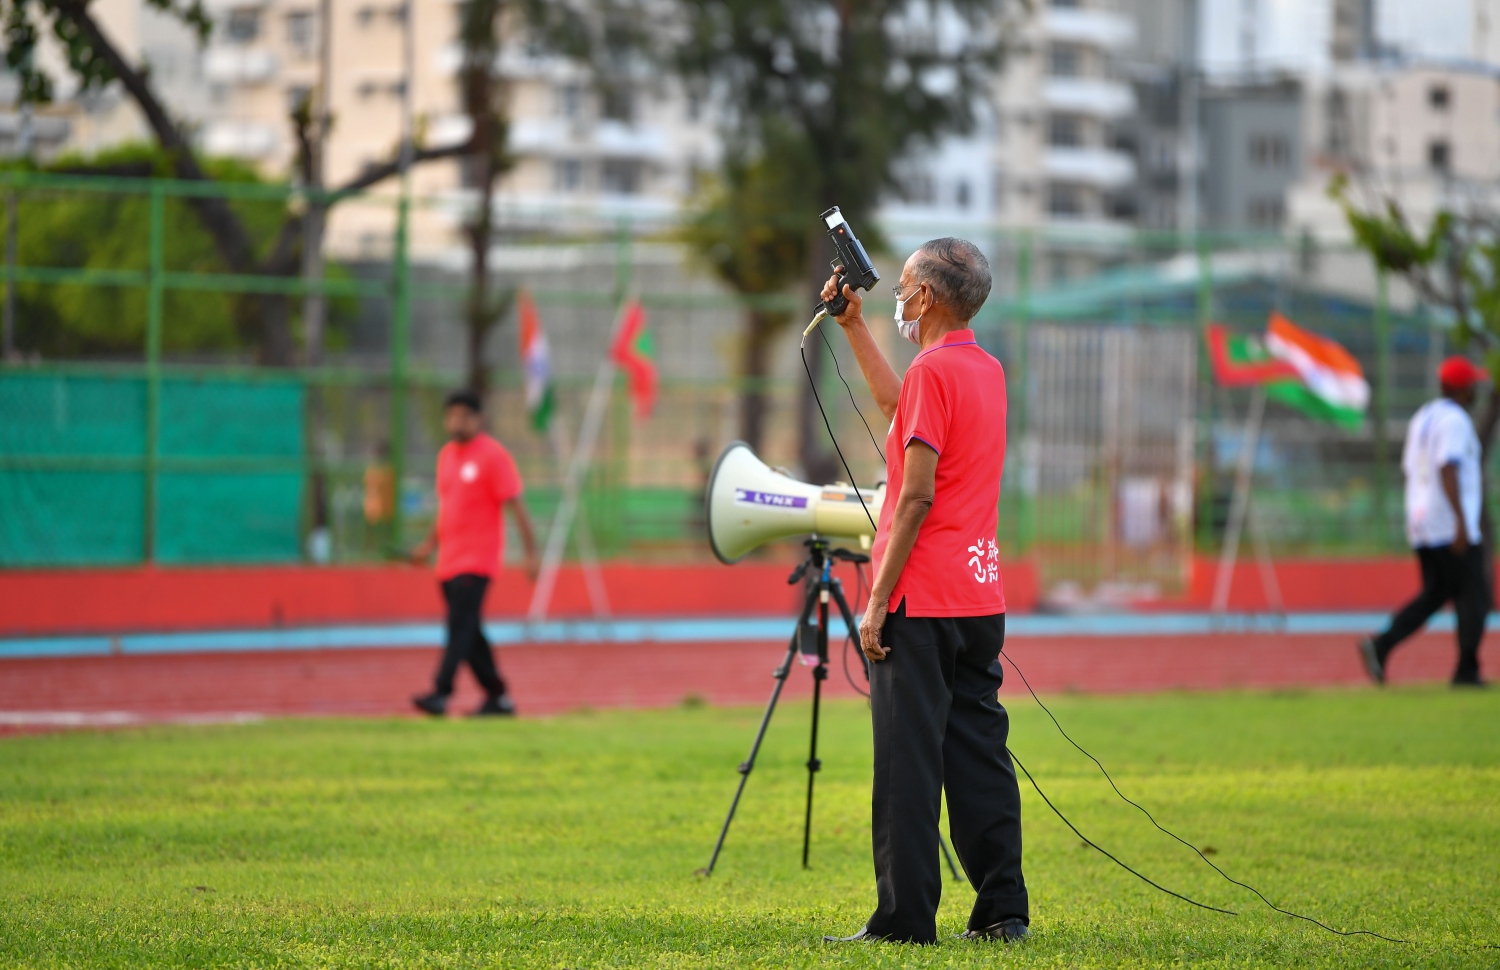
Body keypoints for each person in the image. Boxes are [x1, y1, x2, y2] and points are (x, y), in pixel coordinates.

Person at [820, 238, 1029, 945]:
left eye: (904, 286)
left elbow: (913, 497)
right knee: (979, 756)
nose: (897, 296)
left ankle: (905, 922)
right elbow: (898, 406)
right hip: (977, 598)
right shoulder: (983, 371)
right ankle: (1003, 911)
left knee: (908, 766)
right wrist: (852, 327)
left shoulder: (933, 373)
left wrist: (876, 599)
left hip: (921, 601)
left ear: (929, 297)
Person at [1360, 357, 1490, 688]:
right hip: (1449, 523)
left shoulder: (1423, 417)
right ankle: (1466, 670)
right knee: (1476, 594)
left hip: (1422, 520)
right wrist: (1461, 520)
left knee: (1439, 593)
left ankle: (1383, 645)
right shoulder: (1456, 420)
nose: (1475, 388)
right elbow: (1449, 467)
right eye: (1471, 383)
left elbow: (1410, 470)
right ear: (1459, 388)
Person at [410, 390, 540, 716]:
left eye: (464, 415)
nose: (457, 421)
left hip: (478, 560)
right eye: (451, 415)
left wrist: (531, 551)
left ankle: (441, 692)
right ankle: (498, 696)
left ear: (478, 419)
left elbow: (516, 505)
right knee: (469, 631)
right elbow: (445, 508)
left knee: (460, 626)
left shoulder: (493, 456)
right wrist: (428, 545)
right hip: (448, 561)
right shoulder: (446, 457)